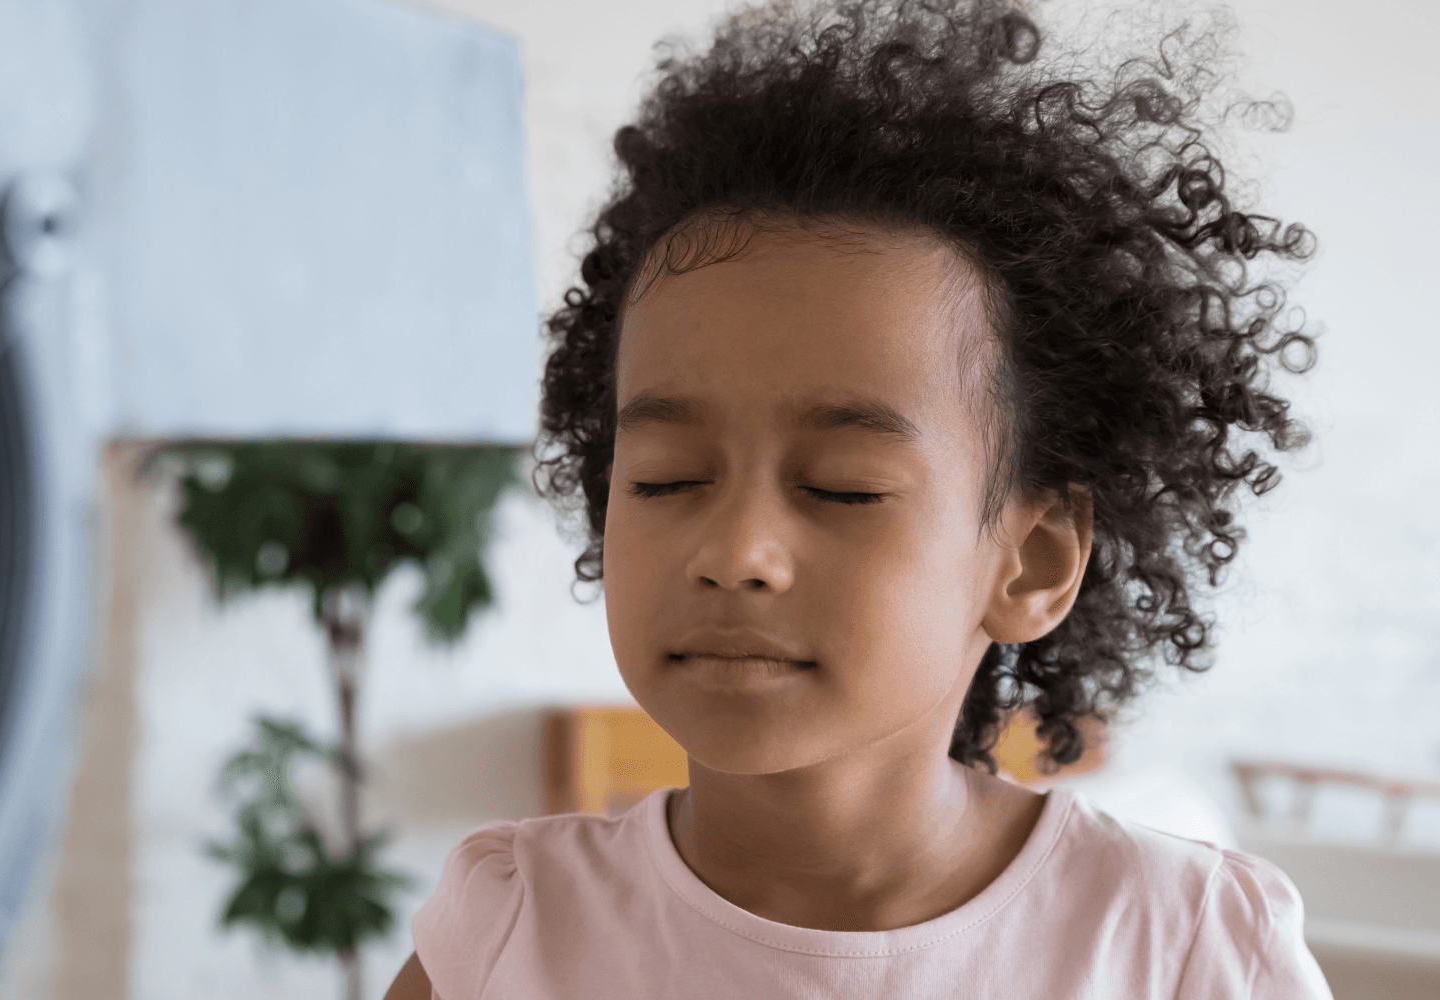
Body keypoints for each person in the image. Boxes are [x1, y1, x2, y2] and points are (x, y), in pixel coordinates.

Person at [387, 0, 1325, 995]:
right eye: (665, 475)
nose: (735, 548)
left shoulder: (1181, 948)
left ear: (1030, 561)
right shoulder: (509, 929)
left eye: (841, 489)